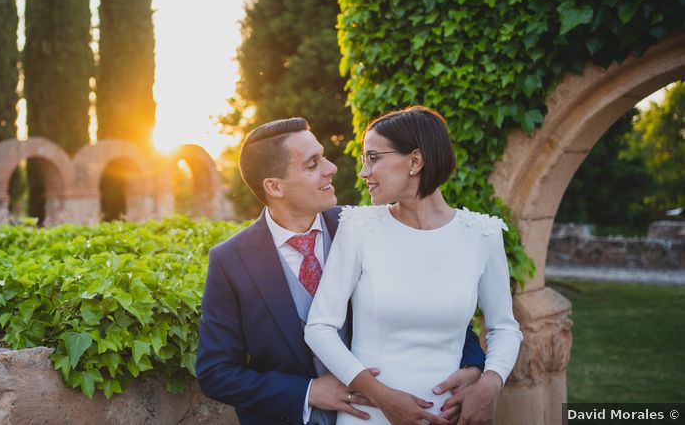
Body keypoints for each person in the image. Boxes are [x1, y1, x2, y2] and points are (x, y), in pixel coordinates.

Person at [196, 117, 487, 425]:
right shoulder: (230, 261)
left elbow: (430, 311)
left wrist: (472, 367)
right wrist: (307, 392)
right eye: (312, 164)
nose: (331, 168)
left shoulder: (366, 229)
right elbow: (216, 372)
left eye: (323, 156)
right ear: (274, 187)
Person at [304, 106, 523, 425]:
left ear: (415, 161)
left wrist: (490, 382)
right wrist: (380, 395)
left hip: (448, 416)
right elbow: (319, 328)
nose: (364, 172)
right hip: (369, 415)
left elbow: (504, 327)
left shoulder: (482, 235)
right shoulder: (358, 228)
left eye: (373, 158)